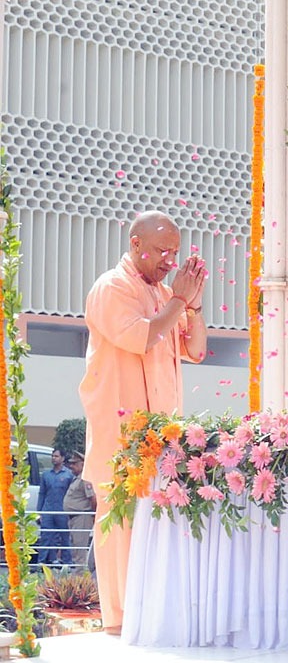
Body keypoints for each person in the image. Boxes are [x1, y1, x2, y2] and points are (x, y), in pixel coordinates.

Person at [79, 210, 208, 634]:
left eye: (175, 251)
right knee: (120, 524)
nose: (171, 261)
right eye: (162, 251)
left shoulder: (163, 293)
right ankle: (119, 621)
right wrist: (177, 301)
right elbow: (142, 336)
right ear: (136, 245)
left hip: (160, 436)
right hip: (121, 437)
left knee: (156, 525)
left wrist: (195, 302)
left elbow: (197, 349)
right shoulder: (112, 287)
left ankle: (152, 614)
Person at [37, 448, 73, 565]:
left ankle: (66, 562)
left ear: (62, 459)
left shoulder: (68, 475)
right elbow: (42, 493)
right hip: (48, 510)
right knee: (46, 536)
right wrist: (39, 512)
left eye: (56, 456)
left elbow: (71, 494)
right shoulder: (46, 474)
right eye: (53, 456)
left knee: (64, 536)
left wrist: (70, 512)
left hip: (63, 511)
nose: (54, 458)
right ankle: (43, 562)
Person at [63, 452, 96, 568]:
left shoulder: (85, 479)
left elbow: (92, 498)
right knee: (76, 548)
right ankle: (79, 572)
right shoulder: (76, 478)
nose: (71, 466)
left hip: (82, 517)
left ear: (82, 464)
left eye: (75, 463)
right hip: (74, 518)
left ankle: (81, 576)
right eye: (71, 463)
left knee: (80, 548)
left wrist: (93, 515)